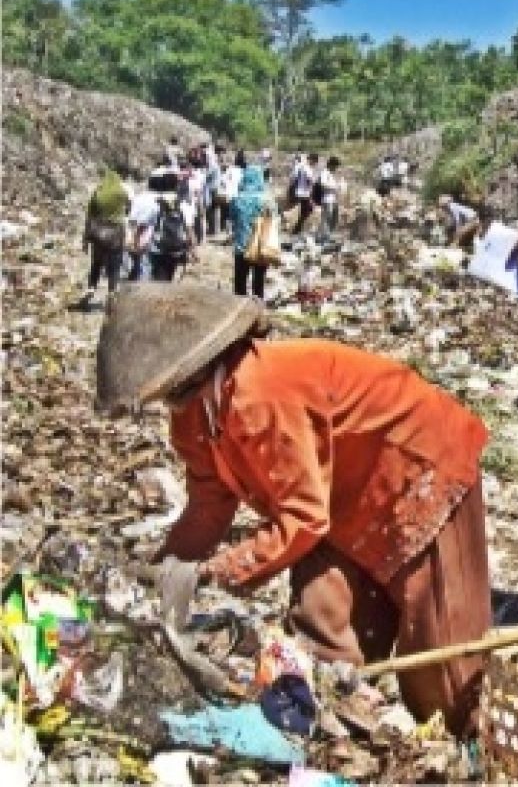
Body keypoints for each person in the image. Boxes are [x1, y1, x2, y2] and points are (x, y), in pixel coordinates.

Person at [94, 283, 491, 734]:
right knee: (323, 631)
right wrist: (169, 564)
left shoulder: (262, 391)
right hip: (332, 496)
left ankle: (466, 749)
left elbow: (302, 516)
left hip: (418, 471)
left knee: (440, 660)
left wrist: (223, 569)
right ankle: (343, 725)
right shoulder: (191, 416)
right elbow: (209, 500)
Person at [129, 167, 196, 283]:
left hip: (157, 248)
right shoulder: (184, 204)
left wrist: (136, 242)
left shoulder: (157, 202)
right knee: (168, 277)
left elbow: (143, 225)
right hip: (176, 248)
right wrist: (193, 250)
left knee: (155, 279)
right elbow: (189, 230)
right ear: (176, 186)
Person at [79, 170, 131, 308]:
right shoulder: (121, 192)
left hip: (99, 234)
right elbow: (128, 210)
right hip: (116, 234)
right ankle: (112, 292)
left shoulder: (98, 192)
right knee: (114, 266)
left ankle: (91, 288)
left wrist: (85, 239)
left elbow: (89, 216)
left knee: (96, 264)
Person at [229, 165, 275, 299]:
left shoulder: (237, 199)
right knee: (259, 282)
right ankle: (257, 313)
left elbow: (232, 219)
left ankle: (240, 313)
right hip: (261, 246)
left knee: (240, 284)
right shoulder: (268, 200)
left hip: (242, 247)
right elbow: (274, 220)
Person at [317, 156, 346, 242]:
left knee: (333, 219)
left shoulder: (330, 174)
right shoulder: (324, 173)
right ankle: (324, 237)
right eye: (335, 166)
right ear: (331, 165)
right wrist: (334, 187)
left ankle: (327, 235)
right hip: (327, 200)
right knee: (326, 219)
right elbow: (322, 184)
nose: (336, 169)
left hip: (332, 199)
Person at [290, 153, 318, 235]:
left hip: (300, 192)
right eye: (315, 162)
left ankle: (298, 228)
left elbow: (294, 178)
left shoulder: (302, 167)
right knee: (307, 210)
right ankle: (296, 229)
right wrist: (311, 194)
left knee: (305, 211)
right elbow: (310, 181)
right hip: (305, 193)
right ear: (312, 160)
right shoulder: (307, 168)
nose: (315, 164)